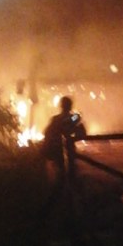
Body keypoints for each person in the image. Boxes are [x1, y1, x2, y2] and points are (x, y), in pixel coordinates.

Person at [37, 96, 86, 232]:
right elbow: (81, 132)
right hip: (64, 155)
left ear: (61, 105)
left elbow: (46, 132)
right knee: (66, 183)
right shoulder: (73, 118)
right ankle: (61, 216)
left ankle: (54, 214)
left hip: (58, 155)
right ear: (69, 106)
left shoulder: (56, 119)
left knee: (65, 183)